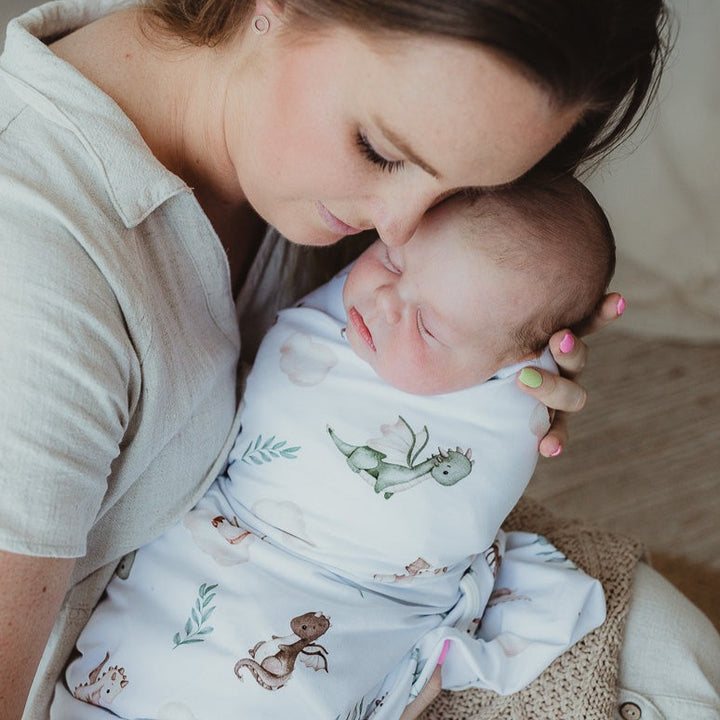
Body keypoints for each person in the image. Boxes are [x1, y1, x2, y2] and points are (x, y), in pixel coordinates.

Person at [1, 1, 715, 720]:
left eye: (464, 190)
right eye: (380, 150)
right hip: (124, 677)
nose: (400, 225)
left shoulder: (291, 133)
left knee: (674, 655)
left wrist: (490, 365)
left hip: (352, 586)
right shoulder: (35, 286)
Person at [51, 176, 614, 719]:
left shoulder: (507, 392)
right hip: (224, 533)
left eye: (430, 328)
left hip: (363, 592)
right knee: (143, 659)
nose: (386, 301)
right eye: (392, 260)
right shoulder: (358, 296)